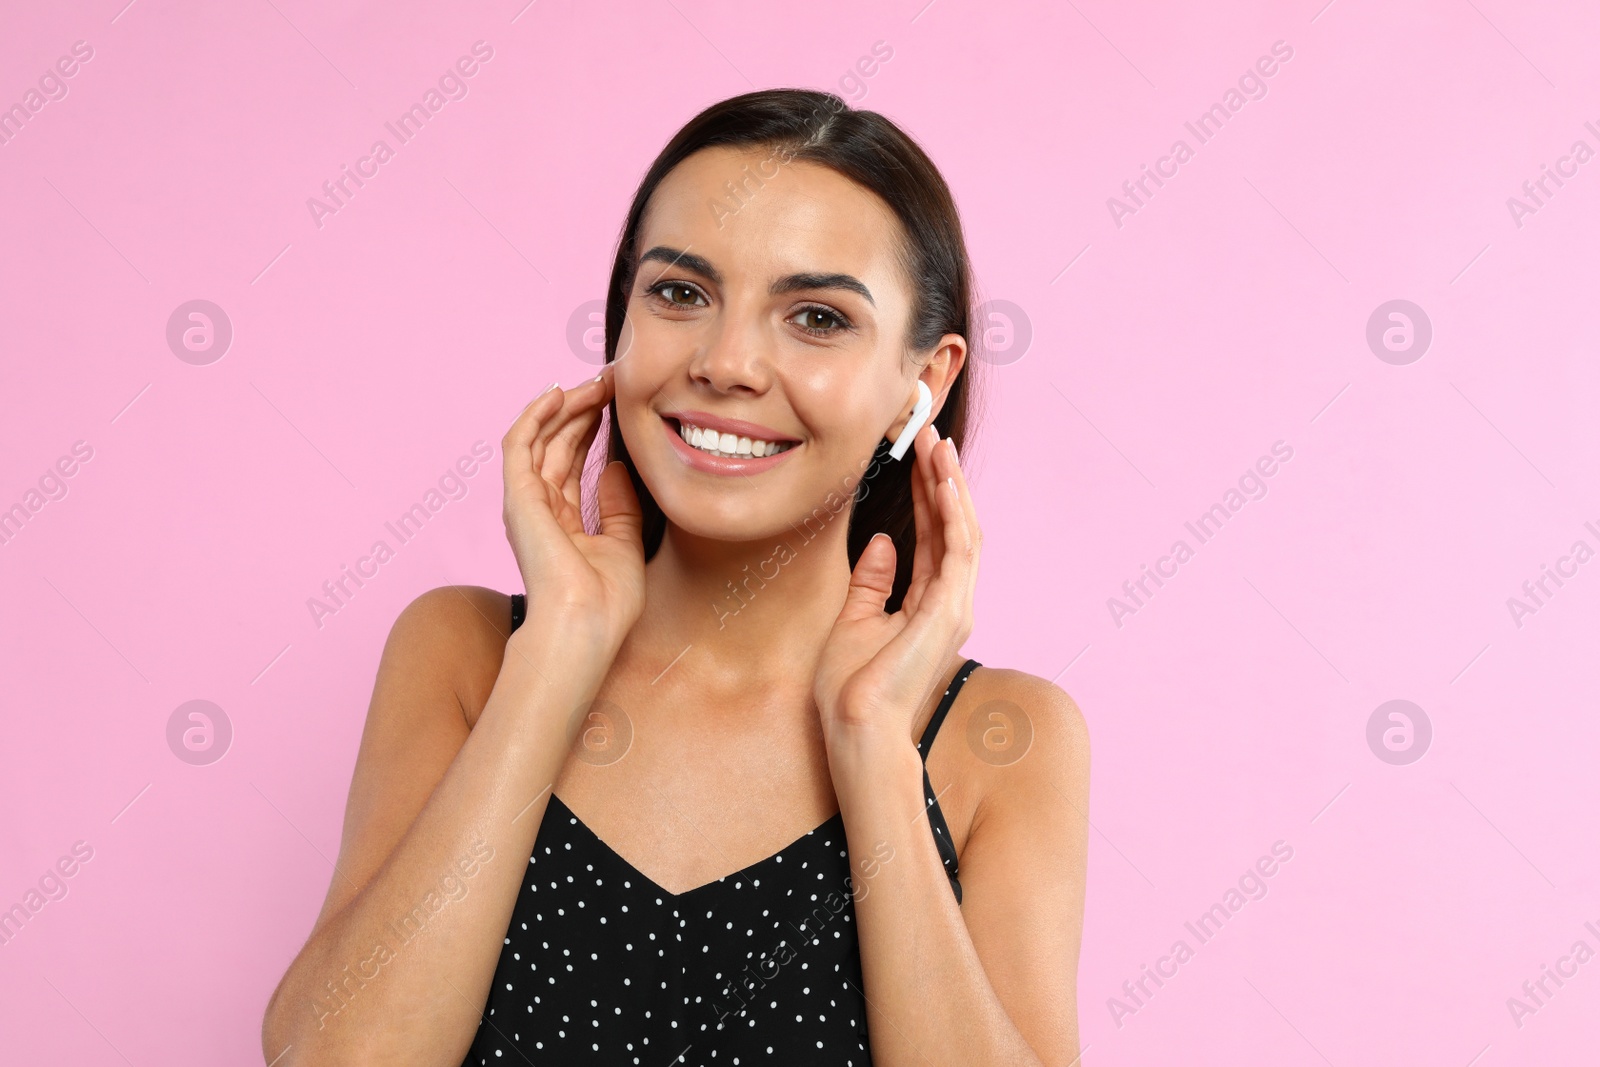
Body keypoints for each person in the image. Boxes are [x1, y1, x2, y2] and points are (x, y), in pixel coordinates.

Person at [261, 88, 1088, 1066]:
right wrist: (560, 649)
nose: (727, 361)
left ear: (925, 382)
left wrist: (870, 741)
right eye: (681, 293)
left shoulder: (1005, 741)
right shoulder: (465, 655)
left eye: (816, 316)